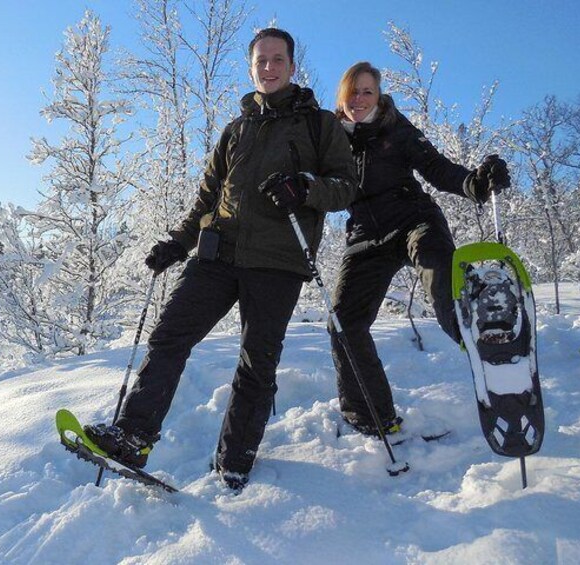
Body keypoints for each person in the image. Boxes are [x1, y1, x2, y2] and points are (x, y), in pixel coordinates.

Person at [84, 28, 358, 491]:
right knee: (169, 336)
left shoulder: (318, 125)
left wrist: (304, 189)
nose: (268, 68)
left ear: (292, 66)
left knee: (257, 362)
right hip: (218, 254)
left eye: (277, 60)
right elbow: (206, 199)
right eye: (260, 61)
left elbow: (346, 186)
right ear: (251, 68)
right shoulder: (236, 130)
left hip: (278, 261)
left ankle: (235, 462)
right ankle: (134, 435)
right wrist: (178, 243)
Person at [329, 61, 511, 435]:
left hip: (413, 219)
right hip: (365, 235)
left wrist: (476, 183)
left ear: (379, 97)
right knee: (343, 320)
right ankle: (372, 415)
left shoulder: (397, 129)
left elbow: (437, 167)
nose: (360, 99)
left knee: (438, 272)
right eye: (354, 91)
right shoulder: (332, 139)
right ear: (342, 96)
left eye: (368, 91)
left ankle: (487, 340)